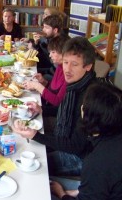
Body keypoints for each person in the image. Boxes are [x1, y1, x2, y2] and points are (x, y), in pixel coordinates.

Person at [11, 37, 97, 176]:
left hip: (82, 157)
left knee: (26, 166)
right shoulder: (77, 84)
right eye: (65, 62)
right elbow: (65, 111)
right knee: (24, 147)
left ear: (88, 66)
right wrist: (42, 109)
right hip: (67, 139)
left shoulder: (91, 98)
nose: (67, 69)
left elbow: (76, 145)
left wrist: (36, 135)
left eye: (74, 64)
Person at [51, 83, 122, 200]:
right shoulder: (113, 139)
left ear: (89, 116)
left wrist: (62, 194)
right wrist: (79, 192)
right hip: (106, 193)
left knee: (45, 187)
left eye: (84, 106)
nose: (82, 107)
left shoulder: (98, 160)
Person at [23, 35, 69, 117]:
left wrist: (38, 86)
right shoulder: (60, 66)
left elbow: (57, 101)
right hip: (47, 106)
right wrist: (44, 82)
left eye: (53, 52)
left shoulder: (68, 74)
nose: (50, 55)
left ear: (63, 54)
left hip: (54, 115)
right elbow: (55, 89)